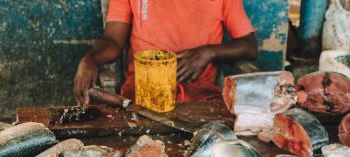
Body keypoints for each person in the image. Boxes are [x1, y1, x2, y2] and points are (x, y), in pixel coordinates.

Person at [73, 0, 258, 105]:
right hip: (142, 94)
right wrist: (90, 59)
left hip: (200, 95)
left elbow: (249, 46)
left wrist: (208, 52)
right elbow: (113, 41)